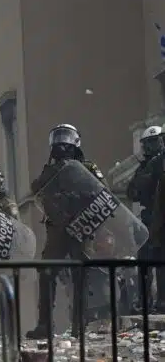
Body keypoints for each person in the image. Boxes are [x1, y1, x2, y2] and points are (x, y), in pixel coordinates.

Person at [26, 123, 106, 339]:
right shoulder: (51, 170)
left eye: (66, 137)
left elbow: (103, 192)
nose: (62, 142)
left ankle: (80, 323)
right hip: (57, 229)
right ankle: (44, 324)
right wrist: (54, 173)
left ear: (76, 143)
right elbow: (36, 188)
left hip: (82, 226)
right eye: (58, 137)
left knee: (81, 275)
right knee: (46, 272)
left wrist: (79, 194)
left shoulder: (88, 168)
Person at [128, 126, 165, 310]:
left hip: (162, 218)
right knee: (145, 260)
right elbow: (132, 192)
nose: (151, 146)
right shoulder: (146, 166)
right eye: (147, 143)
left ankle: (162, 300)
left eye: (154, 141)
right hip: (149, 217)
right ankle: (145, 300)